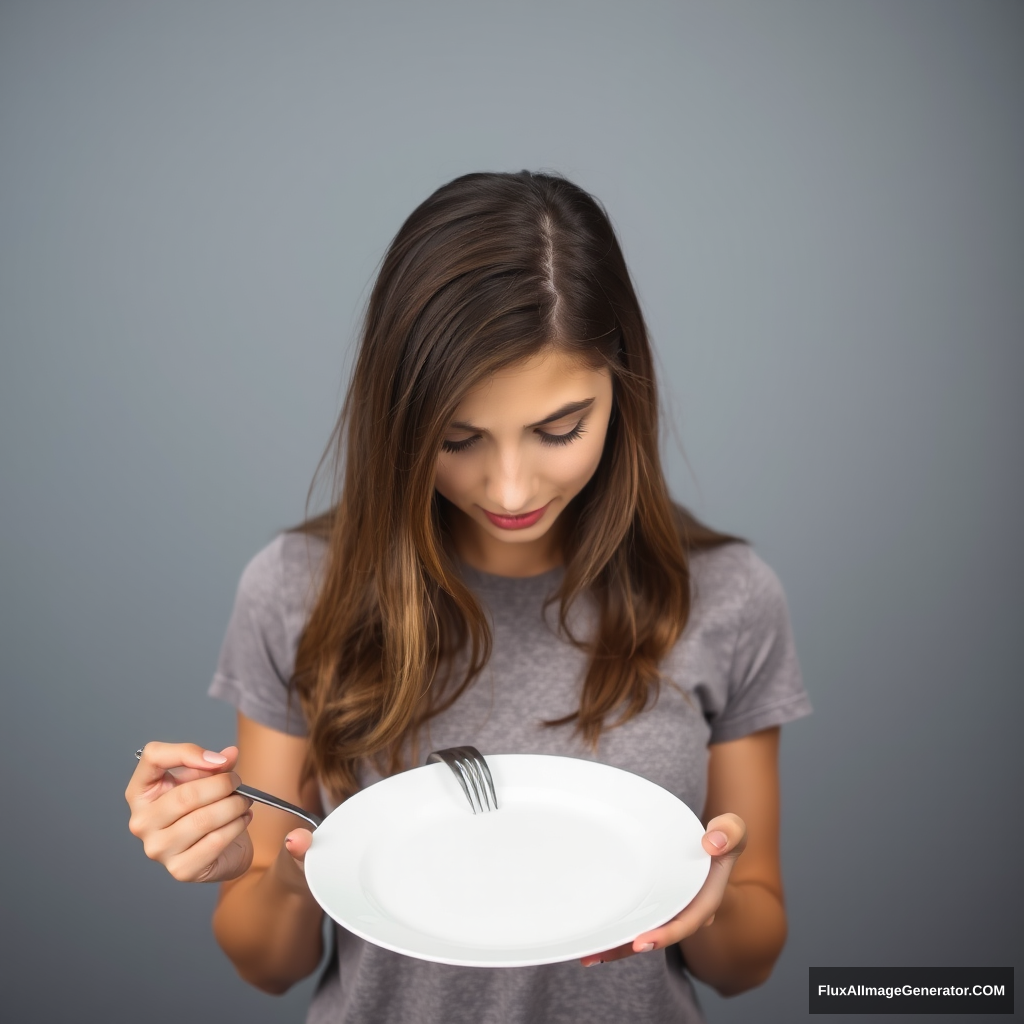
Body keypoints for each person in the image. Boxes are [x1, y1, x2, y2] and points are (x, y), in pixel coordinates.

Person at [125, 170, 811, 1023]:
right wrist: (283, 867)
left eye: (560, 430)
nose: (512, 487)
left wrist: (710, 898)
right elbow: (268, 965)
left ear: (622, 391)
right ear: (399, 419)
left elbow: (747, 964)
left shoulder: (728, 597)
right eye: (458, 438)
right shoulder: (298, 591)